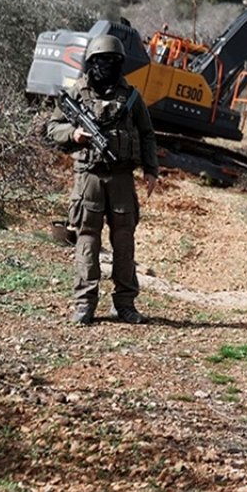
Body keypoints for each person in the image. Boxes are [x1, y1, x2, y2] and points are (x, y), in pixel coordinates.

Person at [46, 34, 159, 325]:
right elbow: (52, 128)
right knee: (87, 240)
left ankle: (125, 304)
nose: (106, 66)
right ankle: (85, 303)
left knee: (124, 242)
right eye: (101, 61)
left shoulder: (131, 97)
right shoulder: (76, 94)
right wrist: (73, 134)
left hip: (122, 178)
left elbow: (147, 134)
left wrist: (151, 170)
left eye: (112, 61)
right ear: (92, 62)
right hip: (89, 178)